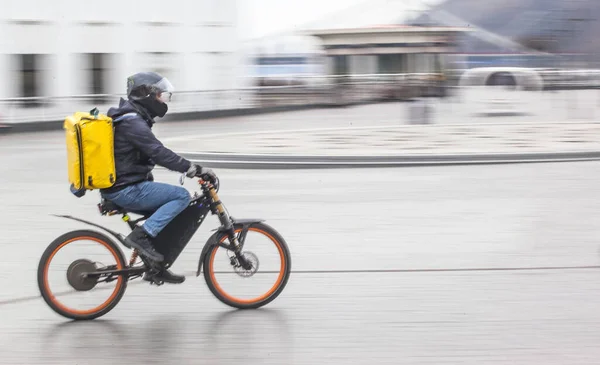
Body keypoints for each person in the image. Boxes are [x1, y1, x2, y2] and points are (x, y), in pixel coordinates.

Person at [100, 71, 217, 284]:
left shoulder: (132, 118)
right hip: (126, 189)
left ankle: (155, 265)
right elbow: (158, 152)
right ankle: (140, 237)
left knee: (171, 210)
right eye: (161, 95)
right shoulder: (132, 122)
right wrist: (193, 169)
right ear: (147, 95)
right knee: (181, 197)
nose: (164, 100)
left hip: (125, 185)